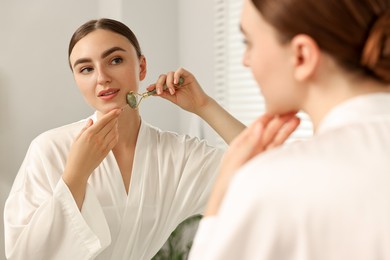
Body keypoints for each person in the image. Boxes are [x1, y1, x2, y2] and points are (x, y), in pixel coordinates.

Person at [3, 18, 299, 260]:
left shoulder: (177, 155)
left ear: (142, 66)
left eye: (115, 60)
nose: (102, 77)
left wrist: (204, 106)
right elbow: (23, 254)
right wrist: (75, 176)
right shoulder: (49, 149)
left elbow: (270, 173)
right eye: (86, 69)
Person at [188, 0, 390, 259]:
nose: (245, 61)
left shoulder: (275, 182)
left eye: (248, 42)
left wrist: (219, 203)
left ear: (302, 55)